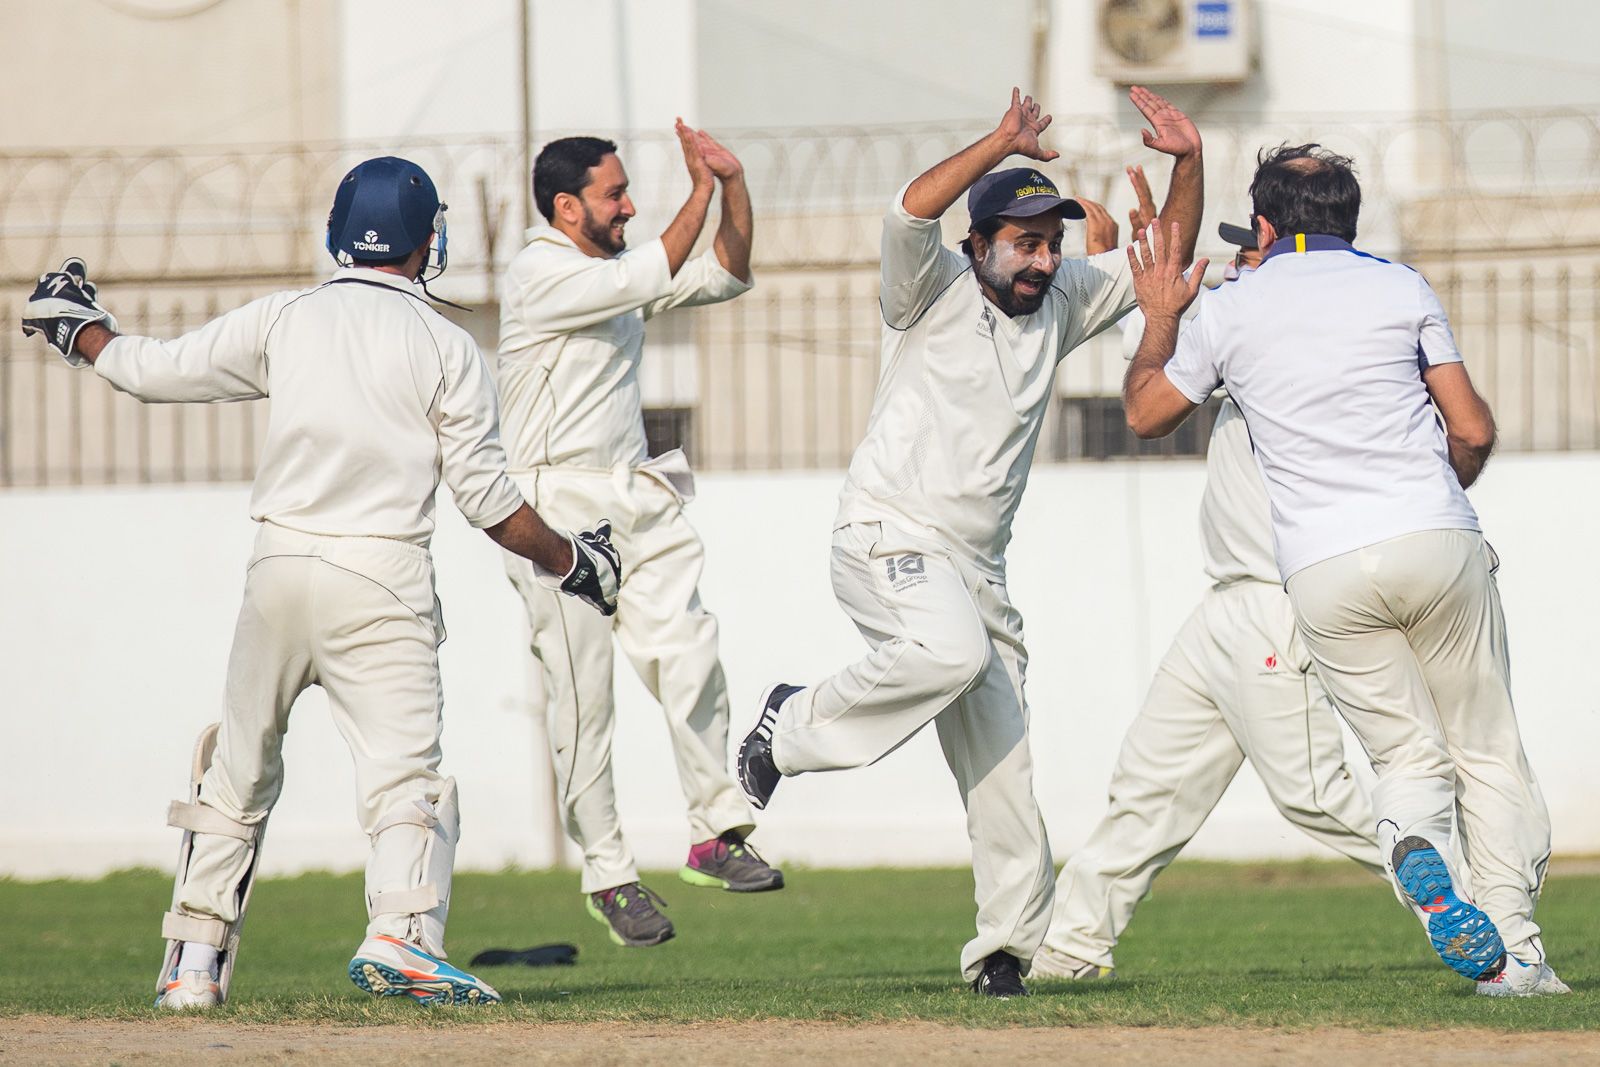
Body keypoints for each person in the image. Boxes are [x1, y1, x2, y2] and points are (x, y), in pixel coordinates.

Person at [20, 157, 621, 1009]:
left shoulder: (287, 316)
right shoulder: (446, 345)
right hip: (381, 577)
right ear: (427, 242)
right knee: (405, 780)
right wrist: (574, 561)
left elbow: (154, 369)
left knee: (236, 773)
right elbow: (489, 503)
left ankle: (192, 968)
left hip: (278, 567)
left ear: (340, 232)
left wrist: (81, 330)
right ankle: (402, 935)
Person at [737, 87, 1204, 998]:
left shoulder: (1062, 298)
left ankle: (1004, 951)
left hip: (978, 569)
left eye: (1053, 242)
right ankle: (785, 724)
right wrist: (998, 143)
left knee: (1004, 764)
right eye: (1025, 242)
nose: (1044, 259)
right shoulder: (929, 287)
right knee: (949, 653)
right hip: (887, 535)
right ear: (978, 243)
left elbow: (1167, 256)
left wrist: (1189, 161)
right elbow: (906, 209)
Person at [1120, 143, 1567, 997]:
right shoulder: (1400, 286)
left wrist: (1159, 316)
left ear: (1263, 225)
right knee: (1486, 749)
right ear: (1349, 220)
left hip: (1321, 568)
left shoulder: (1232, 308)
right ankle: (1518, 952)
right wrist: (1443, 486)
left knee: (1405, 757)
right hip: (1431, 536)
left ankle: (1418, 848)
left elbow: (1145, 413)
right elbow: (1470, 428)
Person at [1032, 208, 1384, 981]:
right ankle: (1071, 947)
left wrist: (1145, 294)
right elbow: (1160, 368)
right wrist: (1125, 282)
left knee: (1316, 796)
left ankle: (1476, 900)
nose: (1236, 265)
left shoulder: (1291, 335)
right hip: (1224, 603)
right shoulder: (1245, 328)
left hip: (1272, 600)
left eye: (1250, 253)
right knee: (1150, 783)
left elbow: (1156, 391)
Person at [496, 123, 776, 950]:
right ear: (566, 206)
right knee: (585, 703)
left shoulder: (610, 277)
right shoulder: (541, 272)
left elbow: (727, 270)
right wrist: (698, 190)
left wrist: (732, 185)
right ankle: (609, 875)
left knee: (691, 651)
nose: (628, 206)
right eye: (614, 194)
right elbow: (651, 267)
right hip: (555, 509)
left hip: (636, 492)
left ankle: (715, 833)